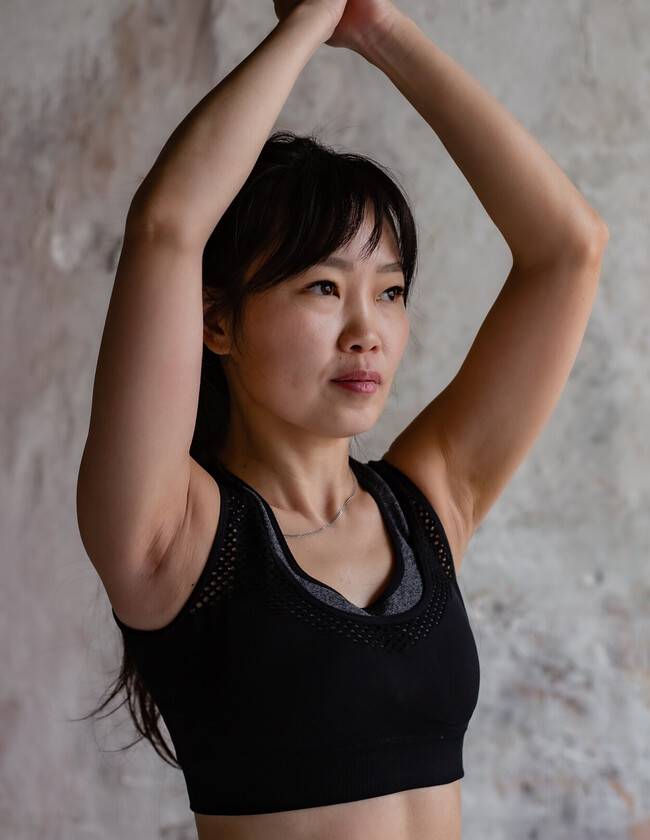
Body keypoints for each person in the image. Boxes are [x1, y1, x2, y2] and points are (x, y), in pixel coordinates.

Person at [76, 0, 608, 837]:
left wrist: (378, 29)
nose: (368, 331)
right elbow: (168, 228)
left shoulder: (425, 508)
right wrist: (312, 17)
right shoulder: (174, 536)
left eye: (389, 292)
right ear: (216, 322)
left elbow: (568, 249)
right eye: (323, 288)